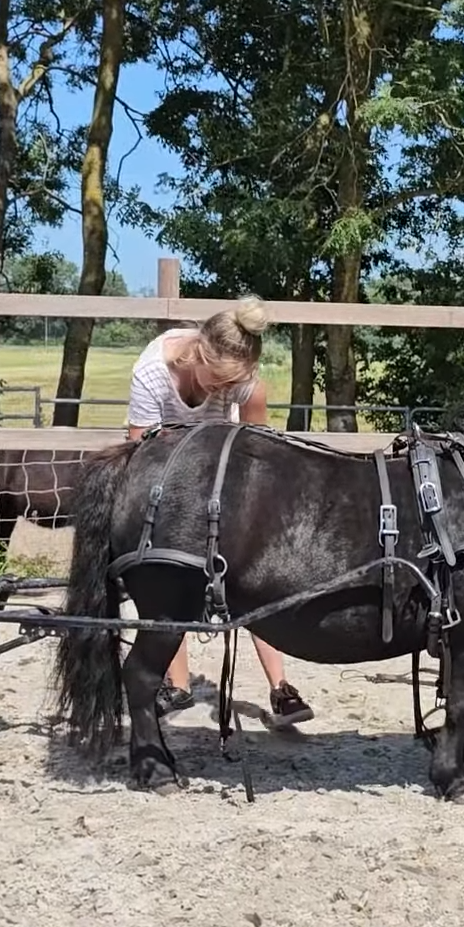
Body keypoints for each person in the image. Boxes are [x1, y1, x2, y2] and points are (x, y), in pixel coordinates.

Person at [125, 297, 314, 728]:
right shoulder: (151, 373)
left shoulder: (243, 384)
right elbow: (140, 454)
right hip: (167, 473)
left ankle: (280, 687)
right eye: (217, 384)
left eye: (233, 385)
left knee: (256, 572)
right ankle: (177, 684)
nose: (222, 392)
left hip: (222, 465)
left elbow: (259, 453)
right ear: (198, 356)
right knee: (169, 574)